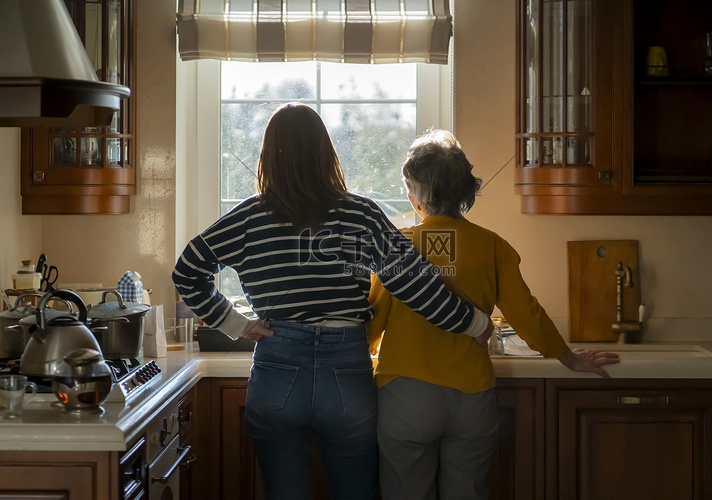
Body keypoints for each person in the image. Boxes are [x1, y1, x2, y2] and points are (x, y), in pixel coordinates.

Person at [172, 104, 494, 500]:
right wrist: (477, 323)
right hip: (347, 369)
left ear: (267, 155)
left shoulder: (249, 217)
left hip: (277, 367)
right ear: (327, 152)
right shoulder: (361, 214)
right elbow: (417, 286)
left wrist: (236, 324)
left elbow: (187, 269)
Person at [367, 129, 620, 500]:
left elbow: (371, 321)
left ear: (418, 195)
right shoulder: (493, 246)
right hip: (472, 399)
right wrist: (567, 356)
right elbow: (526, 312)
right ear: (466, 193)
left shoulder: (400, 246)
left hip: (406, 397)